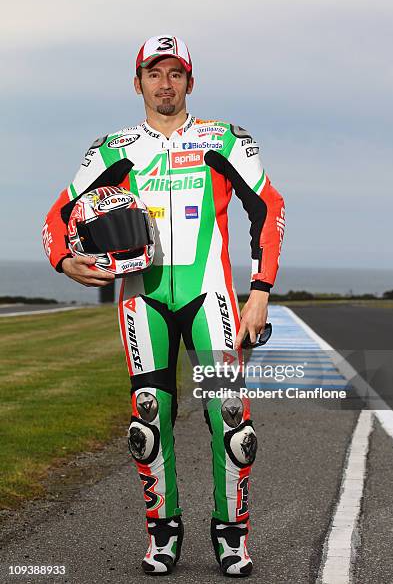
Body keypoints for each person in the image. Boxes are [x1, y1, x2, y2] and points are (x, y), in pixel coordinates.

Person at [42, 35, 285, 577]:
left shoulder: (223, 138)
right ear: (138, 83)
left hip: (212, 297)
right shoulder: (111, 148)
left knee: (229, 418)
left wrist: (261, 290)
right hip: (140, 299)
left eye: (176, 73)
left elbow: (269, 206)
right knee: (149, 420)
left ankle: (231, 535)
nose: (165, 83)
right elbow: (59, 214)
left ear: (190, 82)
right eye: (155, 73)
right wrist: (63, 260)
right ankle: (164, 532)